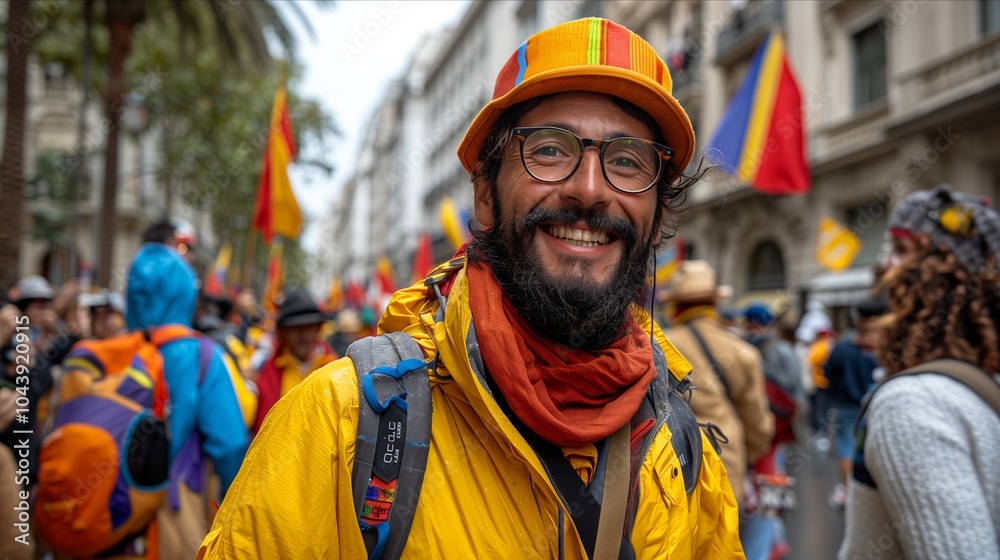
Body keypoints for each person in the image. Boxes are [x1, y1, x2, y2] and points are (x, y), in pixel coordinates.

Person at [201, 18, 743, 558]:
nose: (590, 189)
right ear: (484, 195)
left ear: (656, 213)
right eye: (550, 150)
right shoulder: (338, 424)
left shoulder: (680, 439)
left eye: (627, 160)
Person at [840, 184, 1000, 560]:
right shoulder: (978, 381)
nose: (885, 266)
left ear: (943, 275)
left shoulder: (911, 403)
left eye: (900, 250)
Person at [125, 242, 252, 557]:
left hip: (109, 513)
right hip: (171, 516)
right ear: (186, 293)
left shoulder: (110, 353)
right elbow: (230, 443)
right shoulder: (204, 356)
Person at [662, 260, 775, 559]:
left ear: (675, 304)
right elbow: (759, 426)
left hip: (670, 469)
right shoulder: (744, 352)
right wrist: (748, 458)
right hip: (727, 464)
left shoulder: (657, 346)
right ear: (714, 301)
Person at [822, 297, 888, 510]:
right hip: (860, 404)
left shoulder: (842, 347)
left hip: (849, 404)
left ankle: (848, 489)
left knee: (847, 447)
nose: (860, 341)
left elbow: (829, 372)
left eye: (865, 332)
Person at [252, 288, 336, 433]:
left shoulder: (335, 370)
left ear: (317, 328)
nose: (303, 334)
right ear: (283, 331)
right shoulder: (264, 373)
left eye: (309, 327)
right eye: (295, 327)